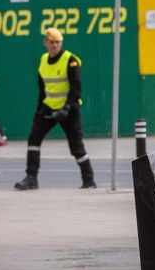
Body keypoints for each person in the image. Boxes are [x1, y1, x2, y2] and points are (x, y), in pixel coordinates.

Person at [14, 27, 96, 190]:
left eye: (57, 42)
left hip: (69, 110)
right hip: (49, 108)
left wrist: (66, 109)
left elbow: (76, 88)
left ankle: (88, 180)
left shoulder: (70, 60)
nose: (54, 45)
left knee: (76, 146)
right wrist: (39, 111)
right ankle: (31, 178)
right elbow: (42, 89)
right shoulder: (43, 60)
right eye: (51, 42)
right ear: (45, 43)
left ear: (61, 43)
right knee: (34, 139)